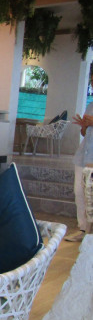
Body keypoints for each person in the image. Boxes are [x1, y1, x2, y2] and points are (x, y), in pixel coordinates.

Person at [65, 102, 93, 242]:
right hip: (83, 156)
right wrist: (84, 126)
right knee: (79, 192)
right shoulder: (91, 105)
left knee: (91, 195)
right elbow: (84, 133)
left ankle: (90, 233)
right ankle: (83, 229)